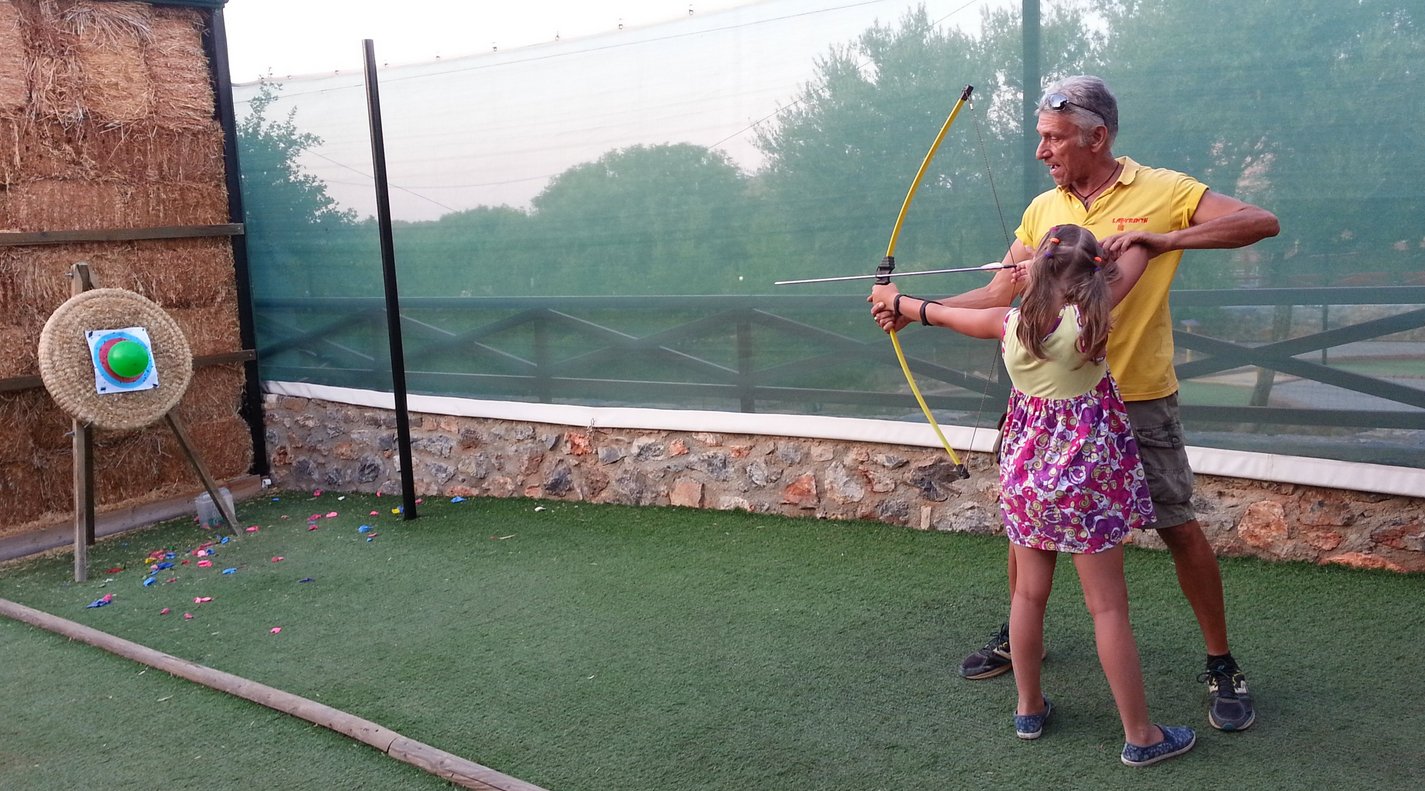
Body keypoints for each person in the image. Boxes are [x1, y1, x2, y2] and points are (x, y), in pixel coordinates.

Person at [871, 75, 1279, 732]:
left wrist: (1161, 238)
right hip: (1049, 408)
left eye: (1053, 138)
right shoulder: (1040, 210)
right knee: (1024, 530)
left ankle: (1220, 660)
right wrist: (910, 307)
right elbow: (1000, 295)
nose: (1042, 151)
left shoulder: (1161, 190)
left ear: (1097, 136)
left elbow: (1258, 221)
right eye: (1040, 137)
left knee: (1175, 525)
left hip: (1137, 399)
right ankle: (1017, 633)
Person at [870, 224, 1195, 766]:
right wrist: (1126, 241)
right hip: (1087, 486)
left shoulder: (1008, 322)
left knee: (1026, 596)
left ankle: (1029, 707)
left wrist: (896, 300)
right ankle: (1140, 736)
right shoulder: (1094, 320)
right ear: (1093, 273)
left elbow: (939, 314)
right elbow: (1137, 254)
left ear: (1036, 273)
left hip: (1026, 479)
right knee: (1108, 607)